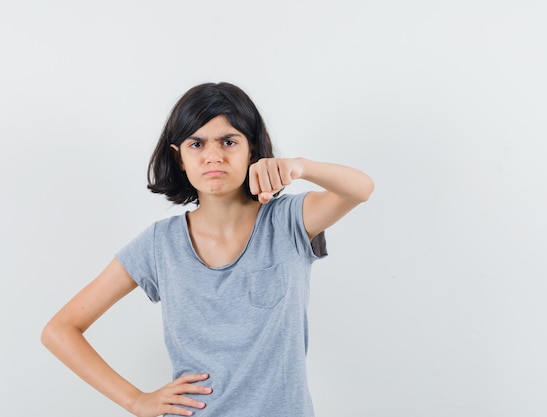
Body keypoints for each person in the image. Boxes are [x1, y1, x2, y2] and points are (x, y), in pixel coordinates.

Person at [41, 81, 374, 417]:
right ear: (180, 158)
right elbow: (60, 330)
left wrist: (301, 167)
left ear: (252, 150)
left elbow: (360, 189)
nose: (213, 156)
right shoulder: (160, 244)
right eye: (196, 144)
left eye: (228, 141)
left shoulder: (288, 220)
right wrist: (135, 400)